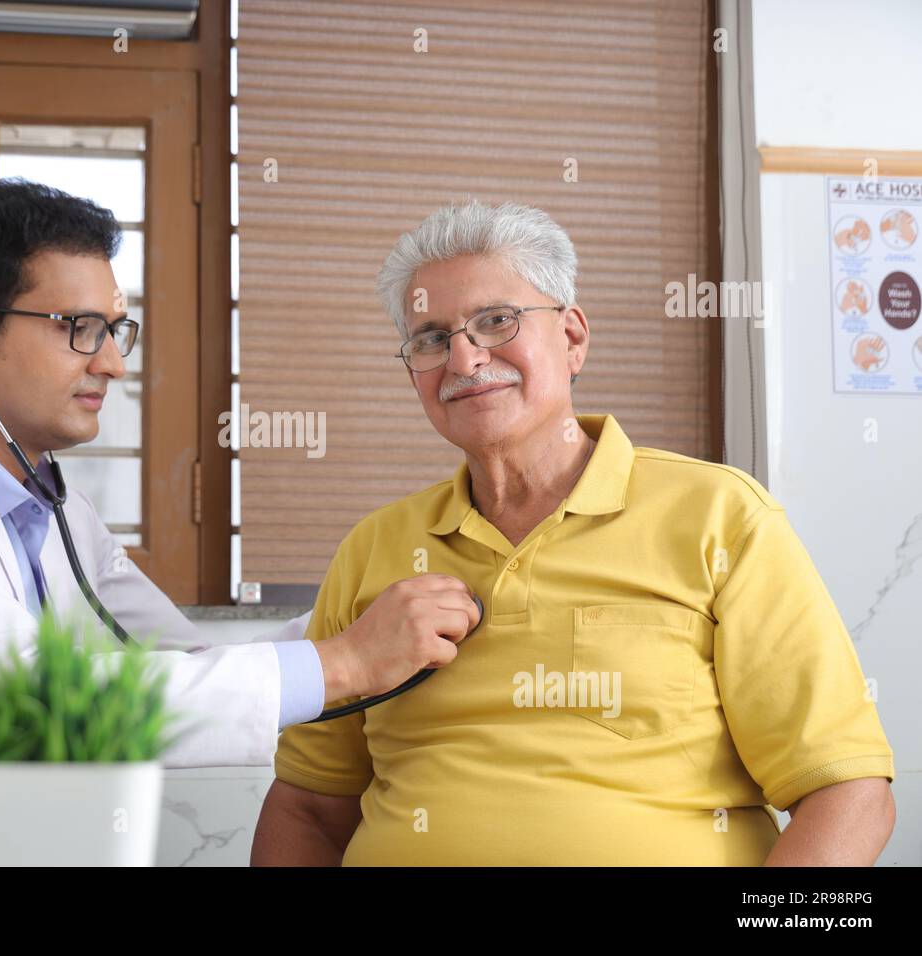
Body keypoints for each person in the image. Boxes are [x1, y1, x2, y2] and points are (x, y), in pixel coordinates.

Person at [0, 180, 480, 866]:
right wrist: (345, 663)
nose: (112, 362)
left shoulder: (54, 508)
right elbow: (32, 702)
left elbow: (179, 654)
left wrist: (360, 612)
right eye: (81, 328)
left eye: (117, 329)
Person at [252, 199, 895, 866]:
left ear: (573, 337)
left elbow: (849, 794)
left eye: (496, 321)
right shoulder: (372, 549)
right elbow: (307, 805)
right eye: (431, 338)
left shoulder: (719, 517)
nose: (464, 358)